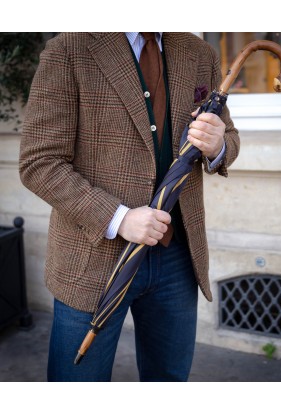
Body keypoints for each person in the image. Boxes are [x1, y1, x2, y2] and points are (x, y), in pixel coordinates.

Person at [19, 32, 240, 382]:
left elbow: (227, 135)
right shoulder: (69, 49)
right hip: (91, 259)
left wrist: (217, 145)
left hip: (177, 258)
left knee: (168, 380)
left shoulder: (200, 53)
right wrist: (117, 218)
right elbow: (40, 163)